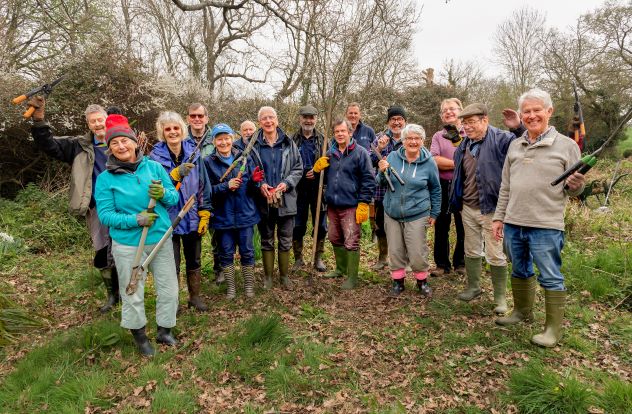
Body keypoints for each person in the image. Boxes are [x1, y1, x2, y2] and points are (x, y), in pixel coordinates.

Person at [493, 89, 585, 347]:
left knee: (550, 275)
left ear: (549, 112)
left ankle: (552, 330)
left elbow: (576, 190)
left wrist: (577, 184)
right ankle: (522, 312)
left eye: (537, 110)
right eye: (527, 111)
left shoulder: (567, 146)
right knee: (519, 269)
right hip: (513, 222)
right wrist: (499, 217)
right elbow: (506, 187)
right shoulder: (515, 144)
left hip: (545, 225)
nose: (532, 116)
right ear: (521, 115)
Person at [95, 114, 180, 356]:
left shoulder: (154, 167)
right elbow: (106, 216)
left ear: (134, 142)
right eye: (115, 143)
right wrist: (136, 219)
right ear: (110, 148)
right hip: (128, 245)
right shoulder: (105, 179)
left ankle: (165, 330)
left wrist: (163, 192)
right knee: (132, 290)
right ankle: (141, 337)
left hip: (160, 239)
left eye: (124, 141)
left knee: (169, 288)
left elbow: (174, 200)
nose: (121, 146)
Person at [28, 96, 120, 313]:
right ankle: (112, 295)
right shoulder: (79, 146)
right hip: (97, 207)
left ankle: (129, 290)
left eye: (101, 120)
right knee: (102, 249)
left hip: (124, 205)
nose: (98, 125)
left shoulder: (121, 141)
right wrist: (39, 121)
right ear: (88, 124)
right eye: (93, 121)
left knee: (125, 249)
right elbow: (49, 145)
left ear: (108, 119)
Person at [449, 103, 523, 315]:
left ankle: (500, 298)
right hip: (468, 207)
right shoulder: (464, 145)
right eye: (465, 123)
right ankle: (474, 287)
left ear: (485, 120)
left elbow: (524, 144)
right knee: (471, 249)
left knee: (495, 253)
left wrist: (517, 127)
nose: (467, 127)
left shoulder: (501, 139)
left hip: (492, 209)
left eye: (472, 122)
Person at [149, 111, 211, 311]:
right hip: (168, 218)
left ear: (182, 130)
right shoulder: (154, 158)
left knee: (194, 258)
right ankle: (172, 302)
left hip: (192, 215)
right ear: (162, 132)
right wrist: (173, 175)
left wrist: (204, 211)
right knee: (171, 263)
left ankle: (195, 297)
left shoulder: (195, 152)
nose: (173, 132)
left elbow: (203, 184)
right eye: (168, 129)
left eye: (176, 128)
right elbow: (153, 188)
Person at [377, 124, 441, 297]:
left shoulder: (429, 163)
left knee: (417, 250)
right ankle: (398, 282)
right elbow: (380, 182)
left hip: (417, 213)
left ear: (422, 141)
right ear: (403, 141)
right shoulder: (392, 156)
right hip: (392, 213)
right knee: (396, 249)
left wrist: (434, 212)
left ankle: (422, 281)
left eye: (417, 138)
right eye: (409, 138)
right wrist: (382, 171)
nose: (413, 141)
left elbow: (436, 189)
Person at [203, 123, 264, 299]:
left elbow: (254, 189)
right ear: (214, 142)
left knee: (247, 251)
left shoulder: (244, 158)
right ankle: (231, 288)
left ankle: (249, 287)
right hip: (223, 217)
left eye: (227, 138)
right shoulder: (208, 163)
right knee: (226, 251)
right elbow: (207, 191)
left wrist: (255, 182)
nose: (224, 142)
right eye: (219, 139)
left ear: (232, 139)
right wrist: (225, 186)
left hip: (245, 214)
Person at [313, 119, 375, 289]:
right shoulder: (330, 153)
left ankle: (352, 277)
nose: (340, 134)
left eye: (343, 131)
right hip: (332, 204)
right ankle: (340, 269)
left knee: (351, 240)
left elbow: (369, 180)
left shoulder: (360, 153)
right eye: (337, 132)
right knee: (334, 237)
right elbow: (324, 180)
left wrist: (363, 202)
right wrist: (317, 170)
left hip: (351, 205)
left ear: (350, 132)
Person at [251, 106, 303, 289]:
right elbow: (250, 170)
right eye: (264, 118)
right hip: (264, 199)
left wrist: (287, 183)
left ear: (277, 120)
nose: (268, 121)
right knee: (266, 239)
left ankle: (284, 277)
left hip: (286, 199)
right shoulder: (253, 145)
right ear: (260, 122)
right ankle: (267, 278)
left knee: (285, 239)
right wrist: (261, 184)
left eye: (271, 117)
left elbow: (298, 168)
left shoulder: (289, 143)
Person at [430, 98, 466, 277]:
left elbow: (474, 159)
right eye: (445, 110)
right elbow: (434, 160)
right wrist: (459, 163)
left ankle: (461, 263)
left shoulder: (468, 132)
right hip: (442, 185)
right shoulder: (438, 136)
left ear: (461, 111)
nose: (449, 112)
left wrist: (452, 164)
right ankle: (442, 265)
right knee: (441, 226)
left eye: (452, 109)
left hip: (465, 185)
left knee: (464, 225)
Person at [186, 102, 221, 283]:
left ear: (207, 118)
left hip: (216, 193)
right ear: (188, 119)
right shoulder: (182, 140)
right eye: (193, 116)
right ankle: (194, 274)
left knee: (218, 234)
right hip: (191, 197)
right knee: (194, 237)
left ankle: (219, 269)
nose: (197, 119)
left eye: (200, 116)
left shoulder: (215, 139)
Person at [290, 105, 327, 272]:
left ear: (316, 119)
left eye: (311, 117)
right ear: (300, 119)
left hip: (318, 186)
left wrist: (318, 170)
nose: (308, 120)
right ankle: (298, 258)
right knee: (298, 224)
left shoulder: (323, 140)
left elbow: (330, 161)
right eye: (305, 117)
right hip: (298, 187)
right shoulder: (291, 140)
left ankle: (318, 257)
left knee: (320, 224)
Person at [370, 105, 407, 270]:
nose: (396, 122)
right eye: (393, 119)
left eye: (400, 119)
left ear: (405, 121)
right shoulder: (380, 138)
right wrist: (379, 148)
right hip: (382, 191)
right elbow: (368, 160)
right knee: (380, 224)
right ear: (388, 122)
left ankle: (401, 258)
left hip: (404, 190)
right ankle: (382, 256)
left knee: (404, 225)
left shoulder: (410, 138)